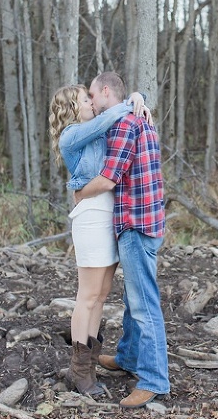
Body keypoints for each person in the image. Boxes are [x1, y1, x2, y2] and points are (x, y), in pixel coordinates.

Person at [74, 71, 169, 409]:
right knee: (135, 298)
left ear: (104, 91)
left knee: (144, 305)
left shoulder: (125, 125)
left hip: (135, 223)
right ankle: (128, 356)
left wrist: (79, 193)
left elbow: (109, 178)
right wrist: (138, 96)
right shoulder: (136, 115)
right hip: (147, 220)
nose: (91, 101)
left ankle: (154, 379)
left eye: (91, 95)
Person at [49, 85, 149, 396]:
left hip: (109, 215)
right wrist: (130, 101)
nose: (92, 102)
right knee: (88, 296)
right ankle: (79, 372)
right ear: (71, 108)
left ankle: (86, 368)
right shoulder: (72, 134)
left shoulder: (95, 131)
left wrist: (138, 97)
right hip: (91, 216)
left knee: (102, 295)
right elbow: (107, 119)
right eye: (85, 99)